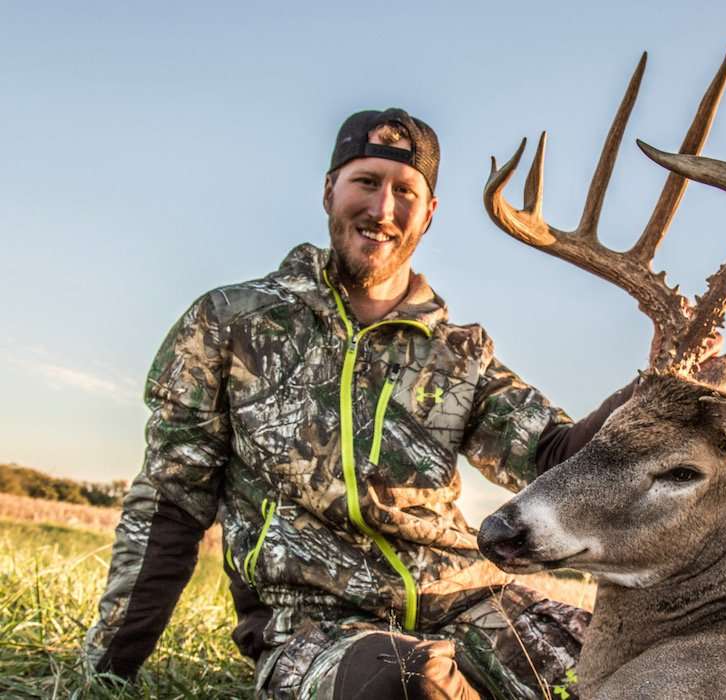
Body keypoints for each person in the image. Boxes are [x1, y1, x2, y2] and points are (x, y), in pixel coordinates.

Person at [83, 108, 636, 699]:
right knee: (407, 684)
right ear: (329, 190)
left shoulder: (459, 354)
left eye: (405, 192)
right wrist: (108, 671)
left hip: (475, 604)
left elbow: (557, 457)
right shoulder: (232, 323)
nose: (382, 210)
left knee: (647, 663)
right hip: (318, 629)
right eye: (366, 182)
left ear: (429, 213)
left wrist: (656, 389)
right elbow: (171, 504)